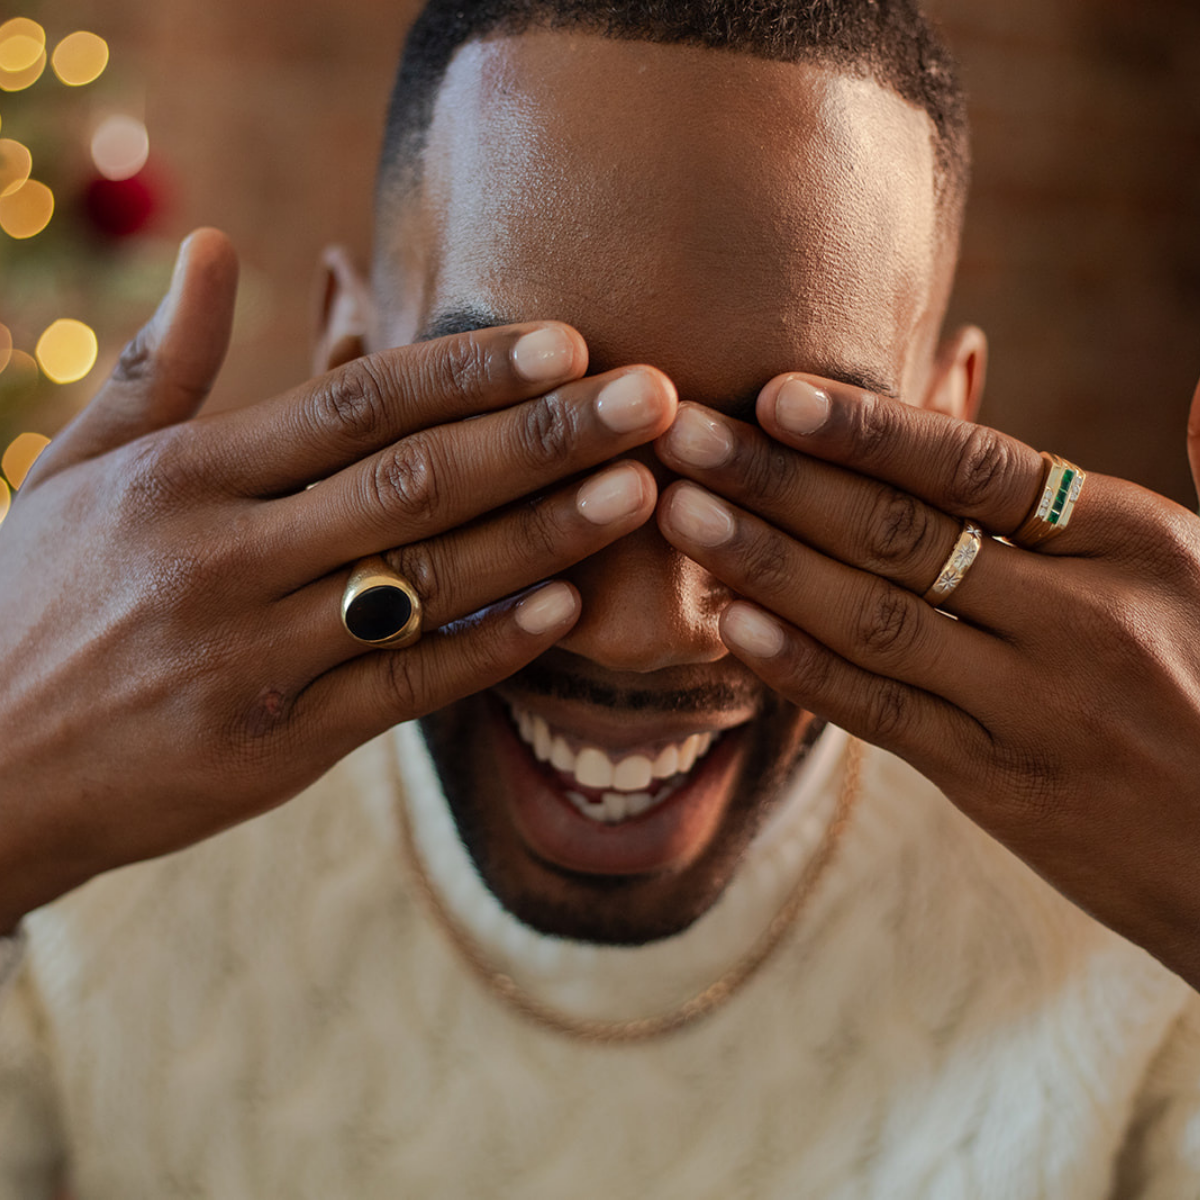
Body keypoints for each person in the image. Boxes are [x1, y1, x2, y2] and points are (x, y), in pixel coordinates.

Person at [2, 0, 1199, 1193]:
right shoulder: (87, 832)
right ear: (350, 362)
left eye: (795, 460)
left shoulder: (1140, 888)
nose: (645, 633)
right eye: (525, 434)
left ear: (950, 420)